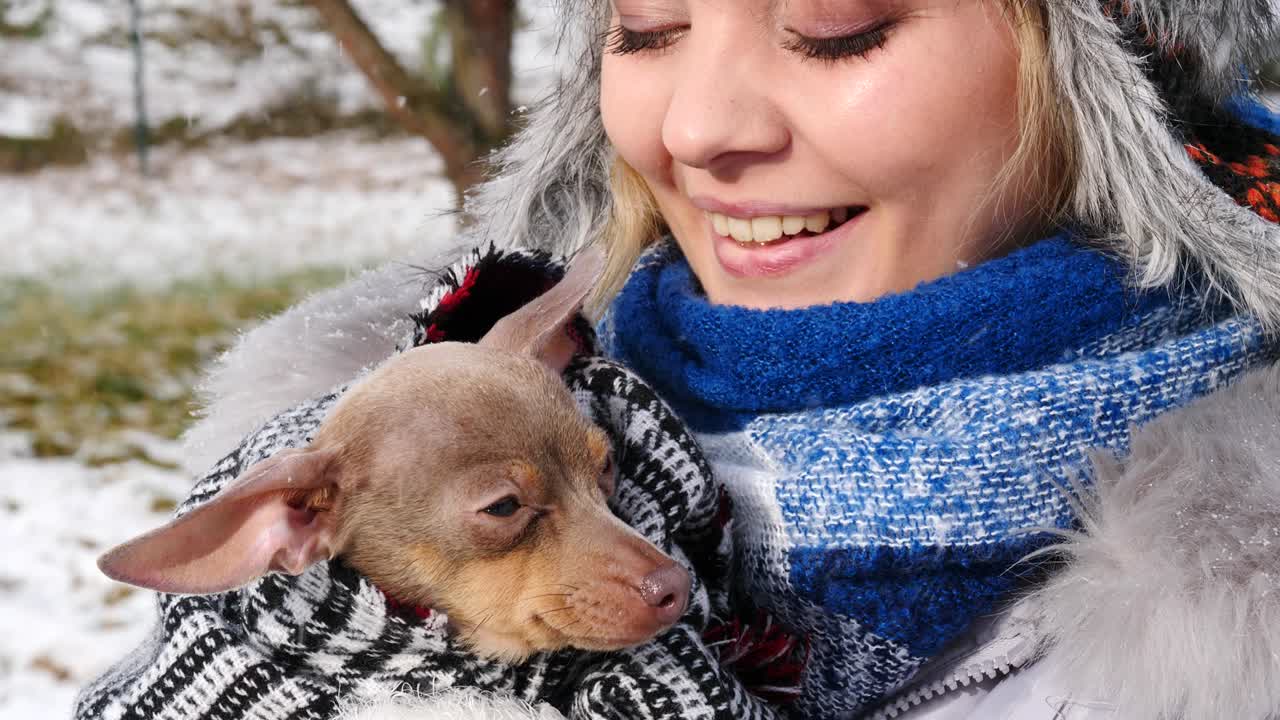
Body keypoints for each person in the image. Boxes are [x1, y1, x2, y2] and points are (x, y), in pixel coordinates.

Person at [82, 1, 1280, 718]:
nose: (698, 129)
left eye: (832, 28)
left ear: (1124, 64)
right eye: (645, 28)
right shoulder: (357, 527)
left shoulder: (1235, 636)